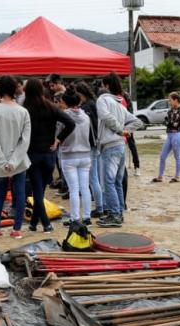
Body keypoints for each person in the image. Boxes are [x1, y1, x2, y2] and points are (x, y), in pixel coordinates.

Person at [23, 78, 75, 233]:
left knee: (37, 190)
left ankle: (45, 223)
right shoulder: (51, 107)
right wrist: (58, 139)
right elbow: (71, 123)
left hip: (32, 154)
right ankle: (33, 222)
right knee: (41, 190)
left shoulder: (24, 109)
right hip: (49, 154)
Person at [95, 72, 142, 228]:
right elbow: (137, 122)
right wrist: (124, 131)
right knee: (116, 182)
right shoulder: (119, 104)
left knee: (109, 181)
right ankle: (118, 212)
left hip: (110, 145)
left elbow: (106, 117)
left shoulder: (103, 100)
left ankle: (115, 215)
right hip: (120, 145)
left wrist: (120, 130)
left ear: (106, 86)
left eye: (102, 85)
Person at [0, 75, 31, 239]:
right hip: (19, 161)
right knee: (19, 195)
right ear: (14, 89)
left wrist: (2, 161)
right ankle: (17, 229)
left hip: (0, 161)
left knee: (0, 194)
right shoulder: (23, 111)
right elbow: (25, 140)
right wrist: (13, 162)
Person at [59, 88, 94, 225]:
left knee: (73, 189)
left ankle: (74, 218)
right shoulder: (86, 117)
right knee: (85, 187)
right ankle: (87, 217)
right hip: (85, 155)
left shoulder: (63, 117)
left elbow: (58, 134)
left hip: (69, 155)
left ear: (65, 102)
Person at [75, 81, 102, 217]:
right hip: (96, 143)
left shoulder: (86, 106)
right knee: (95, 177)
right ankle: (100, 205)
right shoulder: (94, 103)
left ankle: (99, 207)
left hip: (90, 145)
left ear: (80, 94)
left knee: (93, 178)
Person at [153, 91, 180, 184]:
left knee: (177, 156)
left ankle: (177, 176)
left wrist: (169, 122)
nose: (169, 102)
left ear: (176, 100)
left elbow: (175, 123)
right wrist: (169, 122)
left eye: (170, 100)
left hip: (177, 135)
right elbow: (168, 121)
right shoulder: (170, 110)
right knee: (162, 156)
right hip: (169, 135)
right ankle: (160, 176)